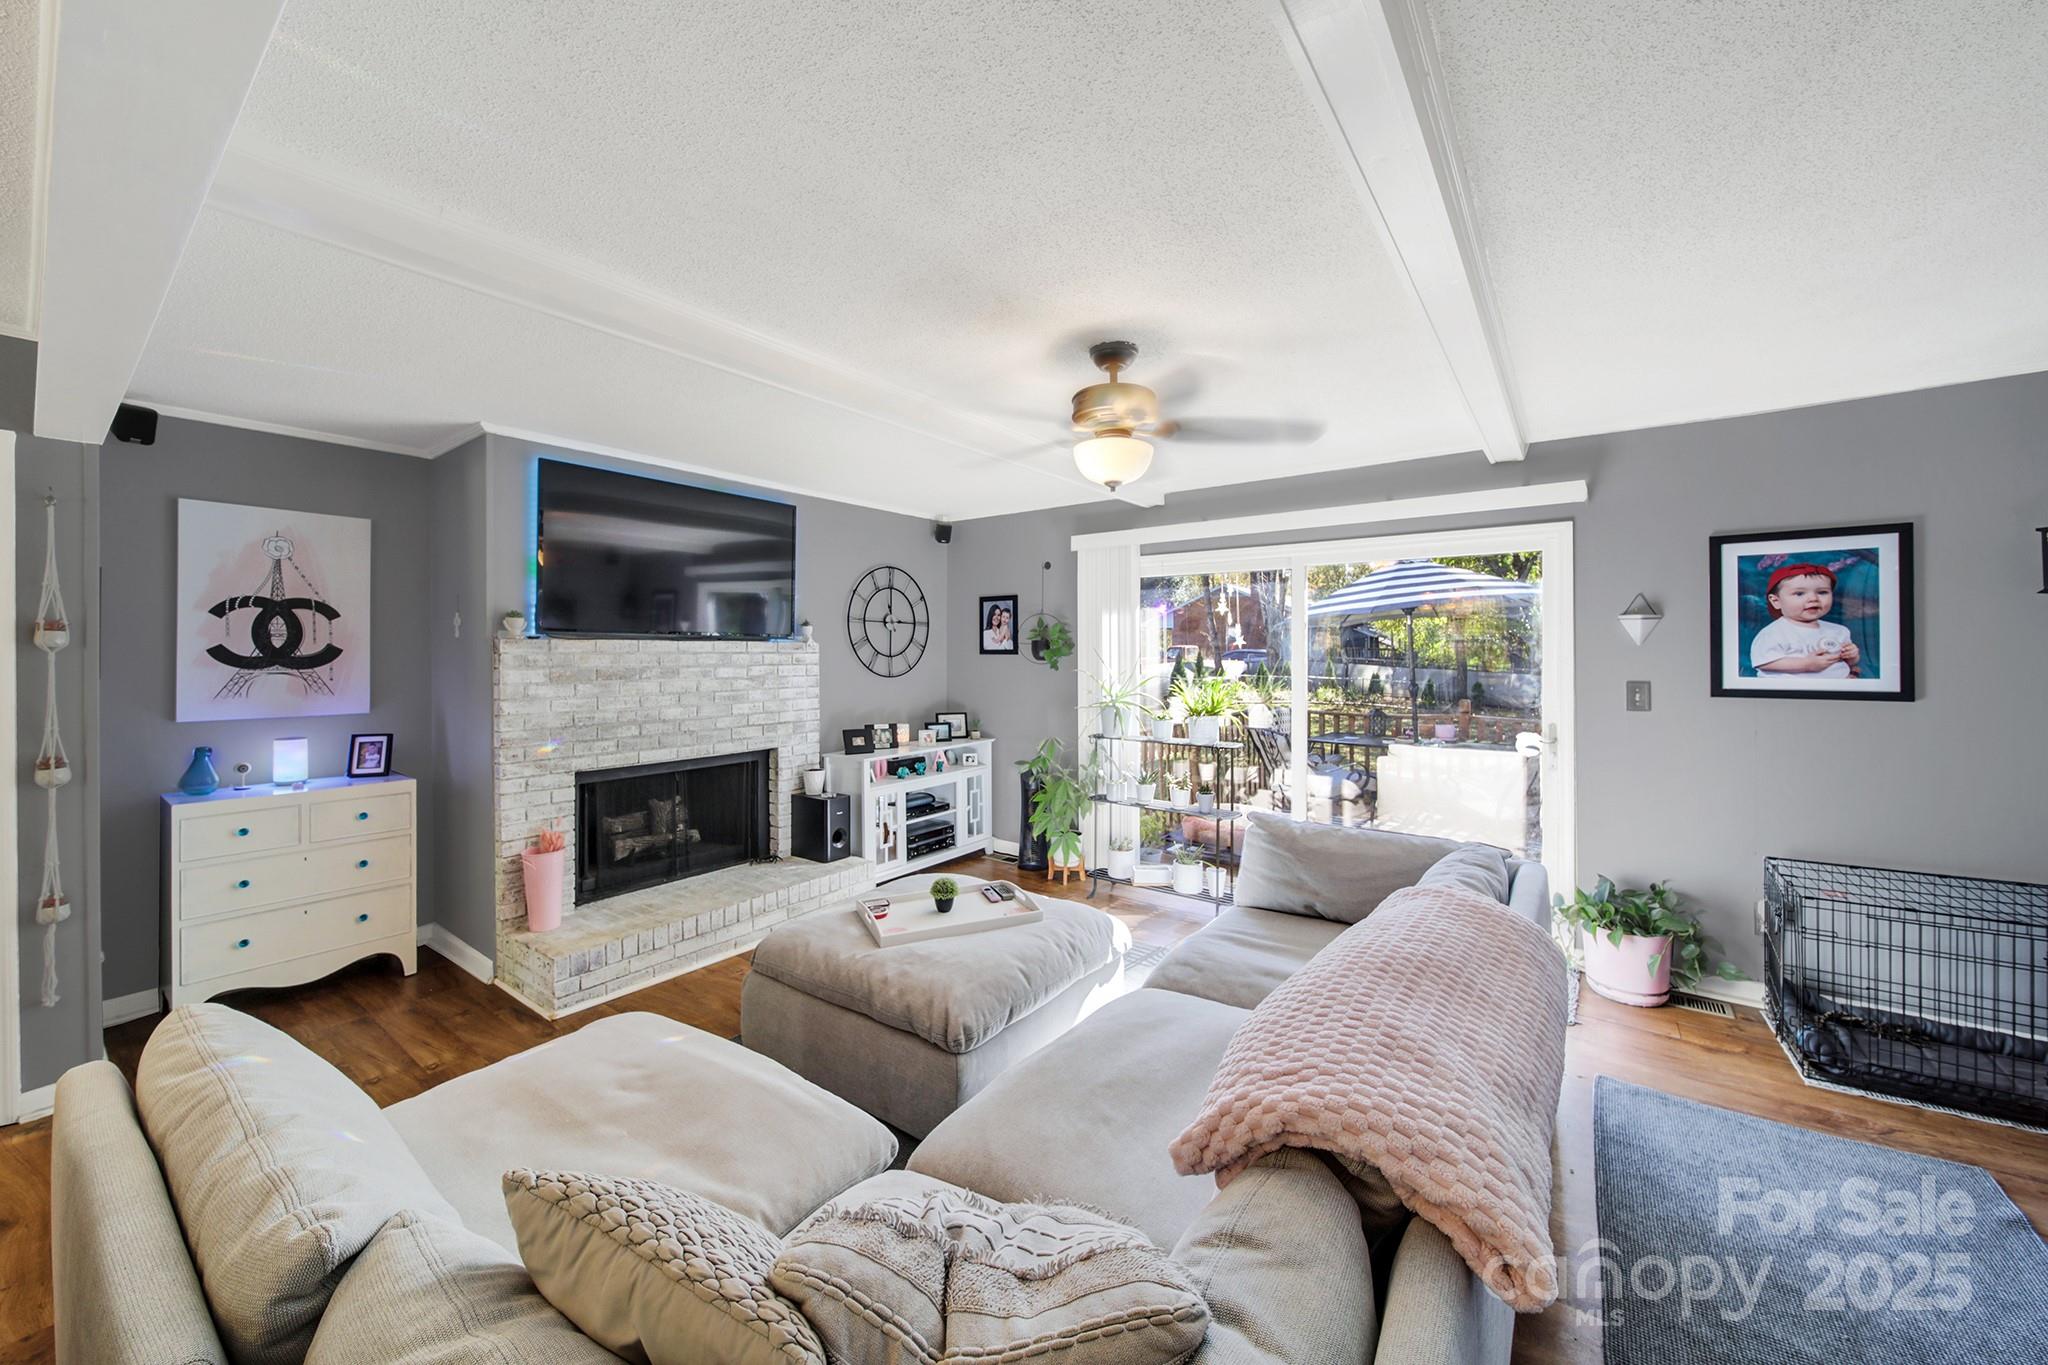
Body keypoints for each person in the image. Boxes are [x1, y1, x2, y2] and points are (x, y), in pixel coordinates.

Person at [1750, 563, 1860, 678]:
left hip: (1838, 686)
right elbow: (1764, 662)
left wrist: (1852, 656)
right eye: (1799, 593)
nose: (1813, 598)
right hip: (1794, 688)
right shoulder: (1773, 633)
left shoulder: (1839, 631)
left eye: (1822, 592)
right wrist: (1807, 664)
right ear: (1776, 601)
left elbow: (1848, 663)